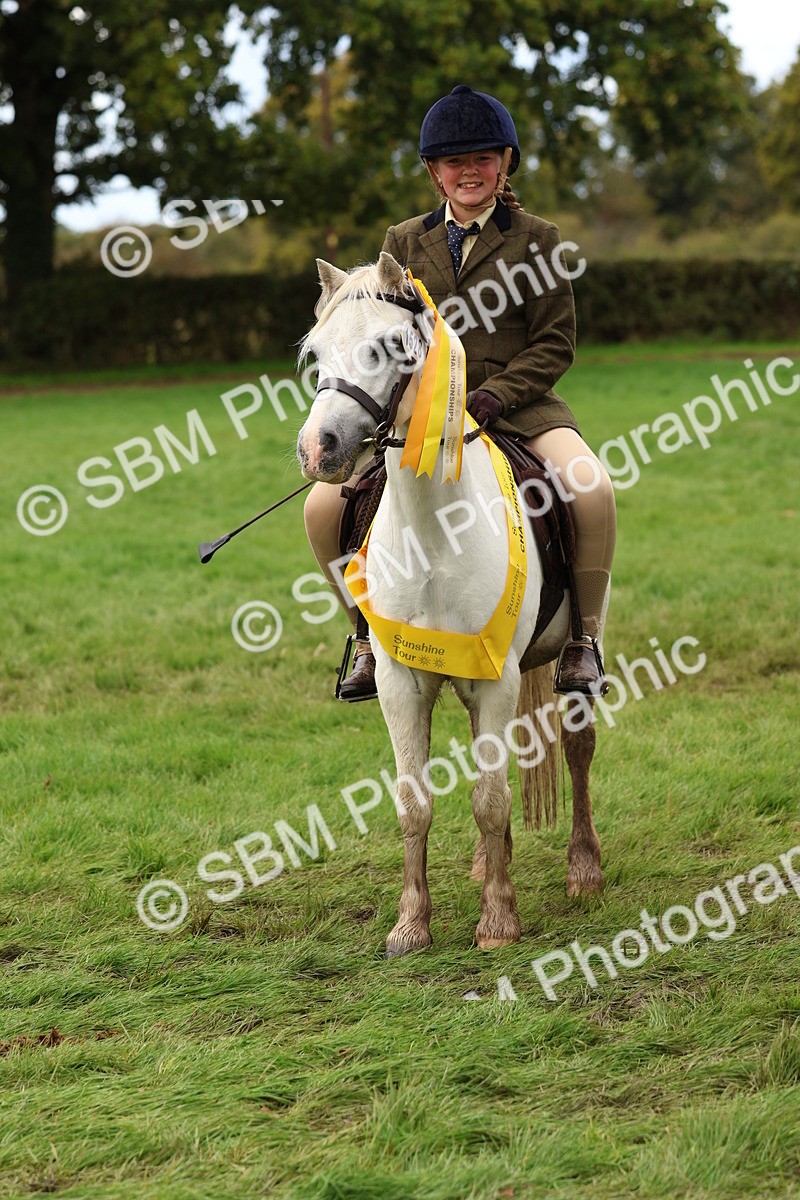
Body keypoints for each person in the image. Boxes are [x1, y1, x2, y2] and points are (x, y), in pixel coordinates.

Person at [303, 84, 616, 702]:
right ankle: (366, 638)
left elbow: (555, 344)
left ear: (503, 165)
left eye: (481, 159)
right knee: (320, 509)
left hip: (520, 409)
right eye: (454, 162)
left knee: (591, 485)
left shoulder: (538, 238)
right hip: (419, 416)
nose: (468, 172)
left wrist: (496, 395)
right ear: (434, 173)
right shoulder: (403, 242)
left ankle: (583, 638)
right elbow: (382, 337)